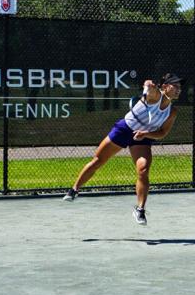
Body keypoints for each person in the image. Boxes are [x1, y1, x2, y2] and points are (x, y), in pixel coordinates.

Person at [63, 72, 182, 225]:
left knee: (143, 170)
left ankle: (140, 209)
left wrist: (146, 134)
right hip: (124, 129)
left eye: (180, 87)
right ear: (165, 87)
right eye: (175, 86)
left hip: (142, 137)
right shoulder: (154, 95)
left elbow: (162, 133)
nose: (179, 89)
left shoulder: (172, 111)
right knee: (98, 161)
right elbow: (148, 83)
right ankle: (74, 190)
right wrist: (147, 87)